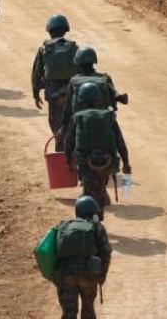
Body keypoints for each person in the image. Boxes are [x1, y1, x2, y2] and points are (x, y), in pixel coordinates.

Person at [64, 83, 131, 220]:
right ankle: (97, 221)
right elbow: (119, 141)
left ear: (81, 99)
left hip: (85, 162)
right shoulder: (109, 116)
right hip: (107, 162)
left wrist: (68, 162)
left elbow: (68, 142)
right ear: (98, 98)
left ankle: (92, 224)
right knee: (100, 190)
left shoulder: (77, 117)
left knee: (90, 191)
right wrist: (126, 162)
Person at [54, 196, 111, 319]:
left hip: (66, 276)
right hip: (88, 276)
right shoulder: (97, 227)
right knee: (88, 311)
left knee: (68, 313)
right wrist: (102, 276)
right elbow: (106, 252)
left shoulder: (64, 226)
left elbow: (53, 250)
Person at [32, 14, 79, 151]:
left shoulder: (44, 49)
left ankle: (60, 155)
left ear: (49, 31)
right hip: (72, 94)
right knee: (75, 125)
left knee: (57, 128)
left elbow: (36, 73)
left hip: (54, 95)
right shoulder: (74, 48)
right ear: (65, 30)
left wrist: (36, 93)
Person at [59, 47, 128, 134]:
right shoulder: (105, 78)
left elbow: (68, 108)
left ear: (78, 63)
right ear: (93, 61)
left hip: (80, 123)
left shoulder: (73, 81)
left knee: (67, 144)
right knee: (116, 139)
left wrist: (63, 127)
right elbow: (113, 103)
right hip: (103, 121)